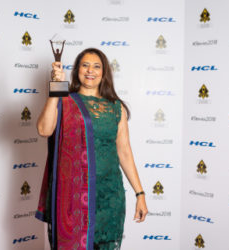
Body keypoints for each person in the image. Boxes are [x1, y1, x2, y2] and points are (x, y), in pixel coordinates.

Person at [35, 48, 148, 250]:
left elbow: (124, 152)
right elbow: (44, 129)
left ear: (104, 73)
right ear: (77, 70)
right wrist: (57, 87)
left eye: (97, 66)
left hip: (109, 196)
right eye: (85, 65)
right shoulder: (65, 100)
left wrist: (140, 194)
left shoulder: (116, 107)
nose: (90, 71)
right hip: (73, 199)